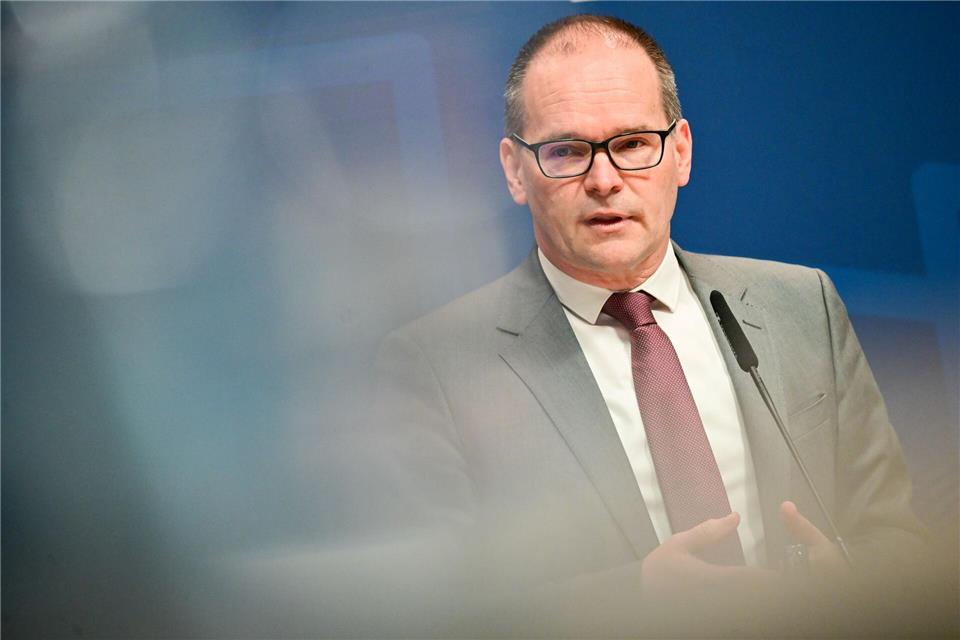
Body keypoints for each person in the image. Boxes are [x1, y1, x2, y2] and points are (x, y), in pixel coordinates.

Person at [373, 14, 928, 637]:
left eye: (633, 143)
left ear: (681, 152)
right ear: (514, 171)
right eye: (566, 151)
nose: (604, 180)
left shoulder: (803, 305)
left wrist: (851, 586)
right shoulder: (437, 366)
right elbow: (434, 612)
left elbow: (896, 538)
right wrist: (635, 601)